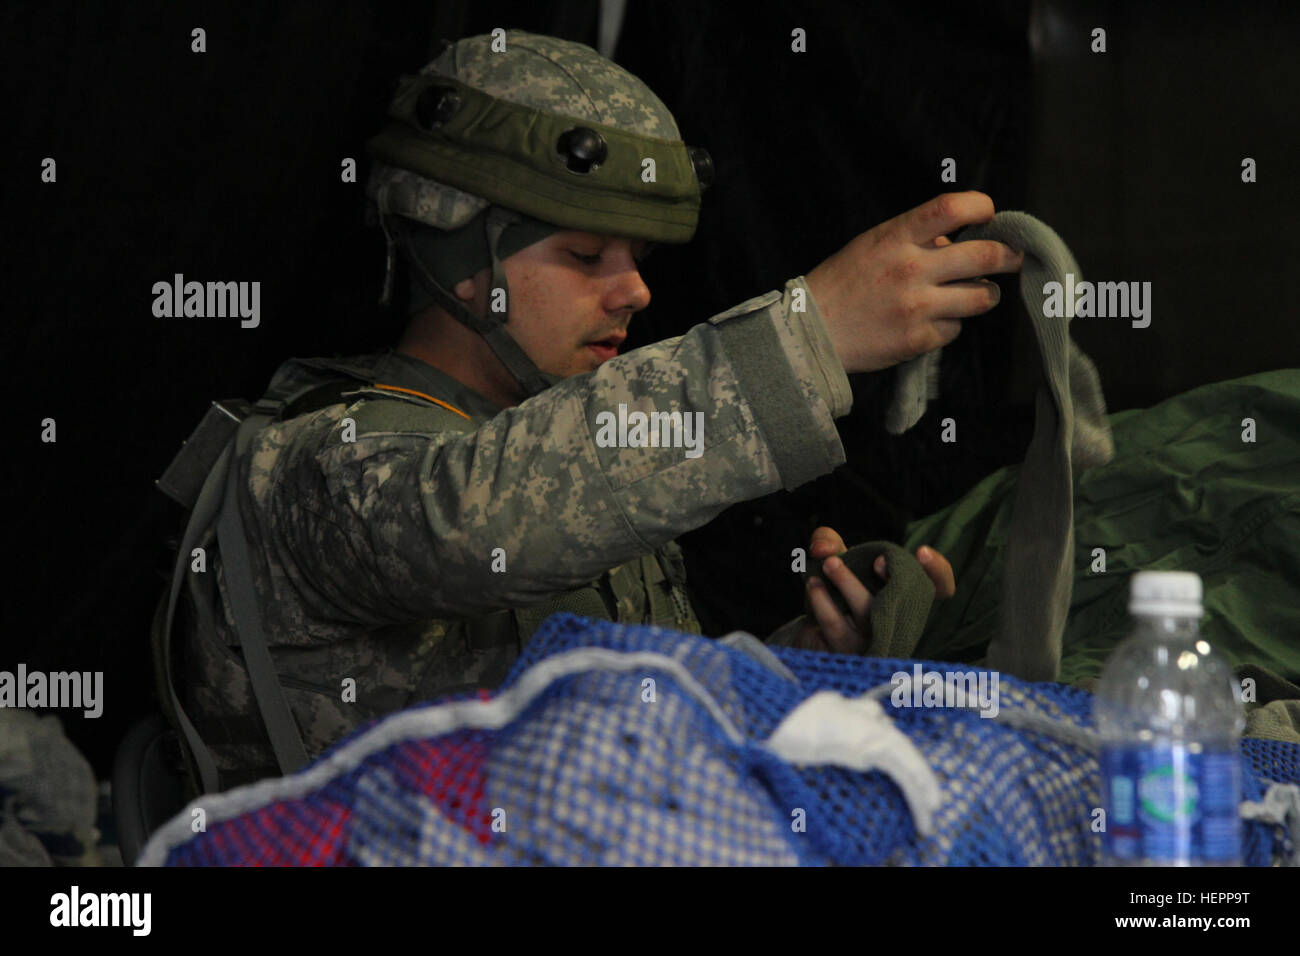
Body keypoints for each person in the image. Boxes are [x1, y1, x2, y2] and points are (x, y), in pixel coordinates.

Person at [174, 29, 1023, 789]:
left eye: (640, 257)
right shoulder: (315, 459)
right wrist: (810, 338)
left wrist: (809, 657)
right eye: (585, 253)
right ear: (455, 249)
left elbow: (640, 736)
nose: (636, 289)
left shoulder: (564, 450)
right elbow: (469, 520)